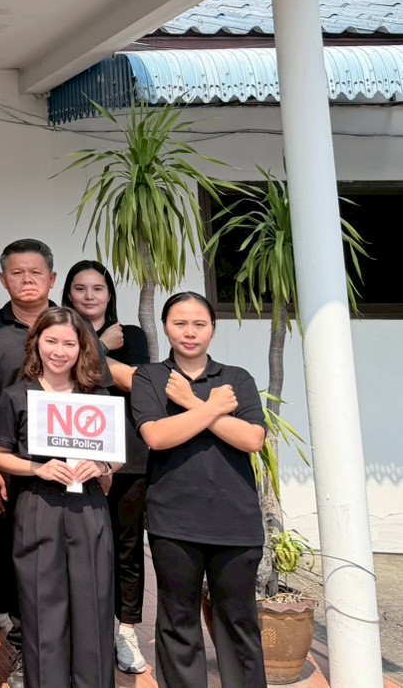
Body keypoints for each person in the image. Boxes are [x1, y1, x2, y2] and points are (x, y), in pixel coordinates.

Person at [0, 239, 130, 664]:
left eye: (35, 272)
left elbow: (112, 439)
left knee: (88, 591)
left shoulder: (82, 339)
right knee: (31, 584)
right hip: (28, 485)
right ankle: (29, 656)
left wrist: (105, 466)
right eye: (17, 273)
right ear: (3, 279)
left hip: (85, 498)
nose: (59, 351)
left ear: (52, 279)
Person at [131, 292, 266, 688]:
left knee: (239, 620)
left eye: (199, 324)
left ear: (212, 328)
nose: (189, 333)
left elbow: (252, 438)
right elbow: (156, 436)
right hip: (173, 520)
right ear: (165, 326)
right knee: (178, 620)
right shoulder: (151, 377)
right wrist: (209, 408)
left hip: (236, 520)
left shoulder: (236, 378)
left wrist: (190, 403)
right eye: (179, 323)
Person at [0, 307, 120, 688]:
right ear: (37, 344)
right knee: (40, 607)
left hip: (88, 507)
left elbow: (114, 455)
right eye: (51, 341)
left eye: (69, 343)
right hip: (37, 504)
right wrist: (37, 468)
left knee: (93, 606)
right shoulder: (17, 395)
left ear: (83, 347)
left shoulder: (96, 396)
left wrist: (102, 466)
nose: (59, 351)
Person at [62, 259, 151, 675]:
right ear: (68, 294)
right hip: (69, 455)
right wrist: (98, 343)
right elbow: (63, 375)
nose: (89, 296)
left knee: (127, 546)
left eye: (98, 288)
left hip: (125, 457)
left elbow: (134, 380)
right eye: (80, 289)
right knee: (75, 547)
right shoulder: (59, 336)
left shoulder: (130, 335)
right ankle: (81, 630)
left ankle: (126, 630)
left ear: (109, 294)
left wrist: (96, 349)